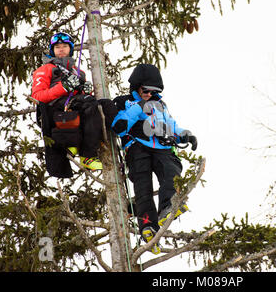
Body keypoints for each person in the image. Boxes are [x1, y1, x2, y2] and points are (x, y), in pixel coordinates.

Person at [111, 64, 198, 254]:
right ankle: (147, 224)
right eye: (145, 90)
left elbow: (172, 125)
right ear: (136, 86)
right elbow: (118, 126)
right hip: (136, 147)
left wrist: (186, 135)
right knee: (143, 185)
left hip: (162, 148)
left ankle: (168, 206)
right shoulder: (125, 102)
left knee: (171, 171)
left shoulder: (161, 105)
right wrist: (139, 108)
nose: (149, 94)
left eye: (154, 91)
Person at [32, 32, 103, 177]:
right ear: (53, 50)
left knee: (102, 105)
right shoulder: (45, 69)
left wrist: (85, 91)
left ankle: (88, 144)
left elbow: (83, 99)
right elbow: (38, 95)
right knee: (89, 104)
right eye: (57, 47)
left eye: (65, 46)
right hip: (54, 108)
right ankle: (88, 155)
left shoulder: (78, 72)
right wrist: (63, 87)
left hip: (74, 106)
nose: (61, 49)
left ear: (70, 48)